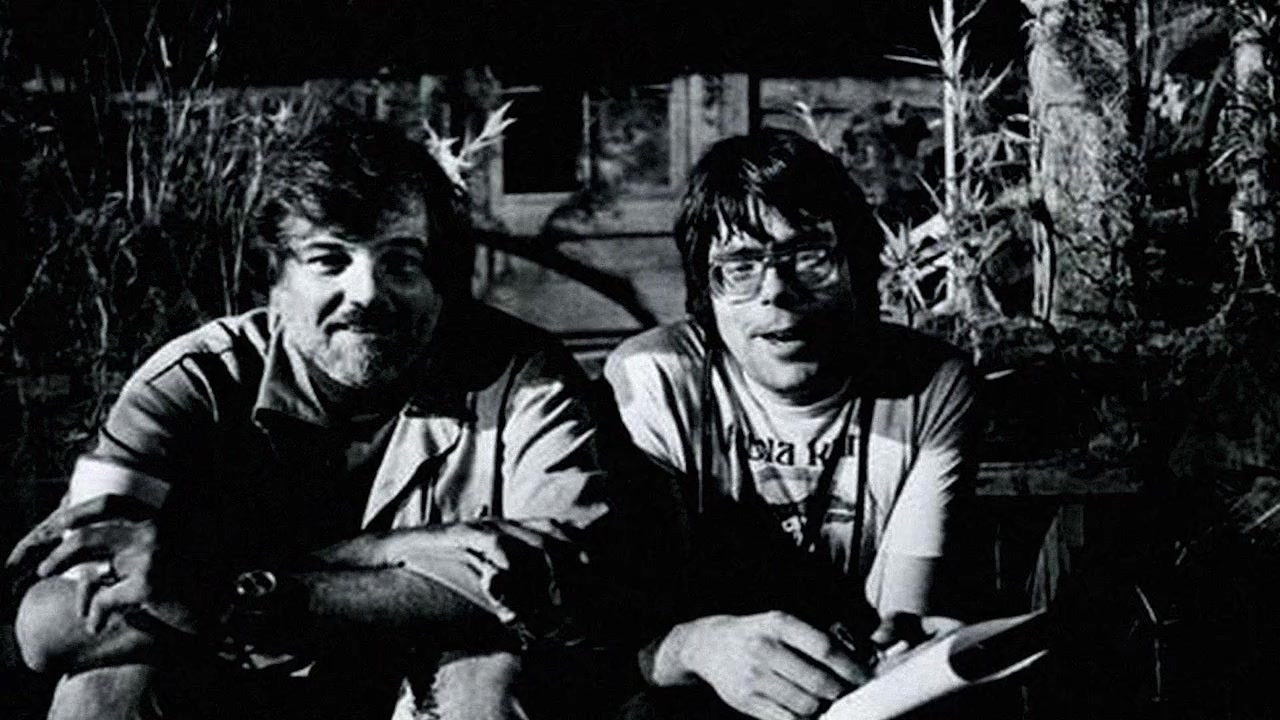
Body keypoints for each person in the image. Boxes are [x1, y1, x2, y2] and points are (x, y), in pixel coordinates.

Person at [6, 119, 622, 720]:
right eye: (329, 260)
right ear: (274, 283)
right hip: (237, 685)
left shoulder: (520, 375)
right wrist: (384, 553)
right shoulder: (194, 380)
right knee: (107, 681)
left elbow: (569, 579)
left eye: (401, 262)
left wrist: (227, 588)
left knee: (487, 670)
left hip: (420, 683)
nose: (367, 293)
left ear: (442, 285)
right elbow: (51, 627)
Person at [604, 129, 980, 720]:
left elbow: (899, 617)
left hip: (851, 690)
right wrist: (699, 647)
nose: (777, 291)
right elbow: (636, 629)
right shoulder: (655, 378)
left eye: (809, 256)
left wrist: (905, 651)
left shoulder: (929, 384)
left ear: (858, 266)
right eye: (739, 267)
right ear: (704, 291)